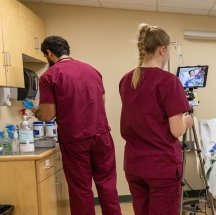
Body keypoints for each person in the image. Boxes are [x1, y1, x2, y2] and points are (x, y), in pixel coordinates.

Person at [35, 36, 121, 215]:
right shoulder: (92, 70)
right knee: (107, 185)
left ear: (49, 53)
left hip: (75, 140)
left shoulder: (49, 76)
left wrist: (36, 112)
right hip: (102, 135)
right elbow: (101, 101)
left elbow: (48, 114)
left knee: (80, 190)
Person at [119, 23, 193, 215]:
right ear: (162, 50)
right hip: (161, 167)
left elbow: (141, 117)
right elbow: (176, 130)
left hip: (135, 165)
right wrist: (187, 121)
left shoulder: (126, 80)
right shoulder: (169, 82)